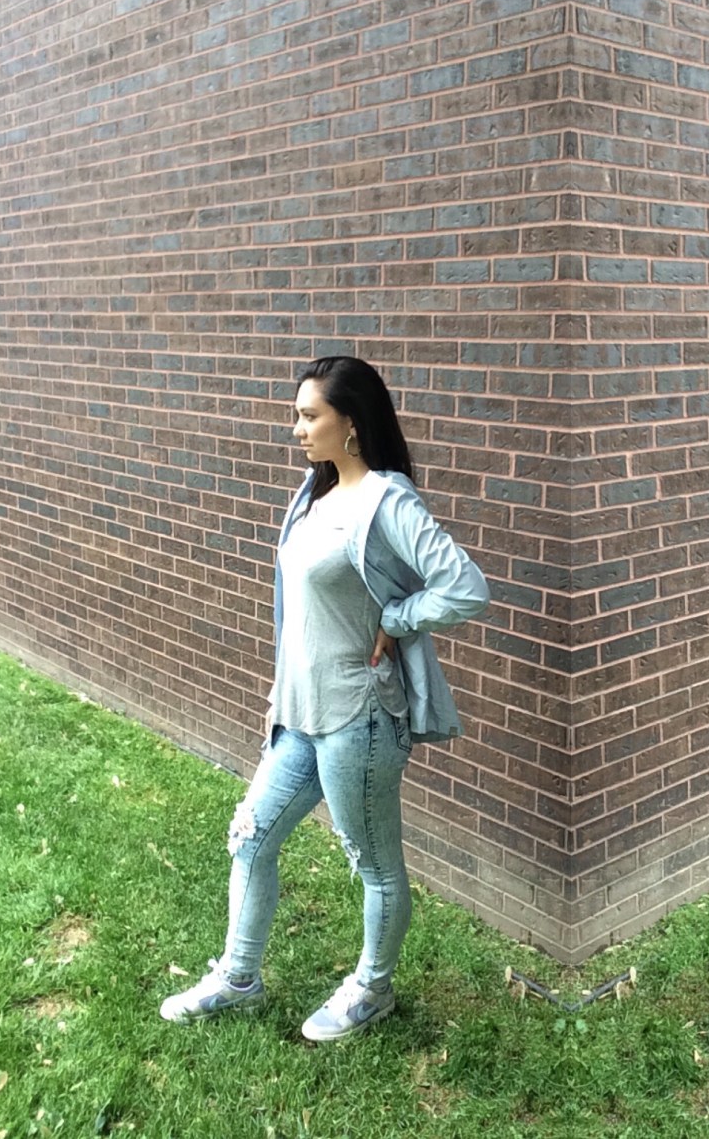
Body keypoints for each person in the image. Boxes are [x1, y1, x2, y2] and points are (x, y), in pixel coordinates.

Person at [161, 356, 490, 1041]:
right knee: (250, 839)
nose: (297, 429)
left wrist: (398, 619)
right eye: (297, 415)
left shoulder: (387, 502)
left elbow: (465, 588)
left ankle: (373, 989)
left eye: (310, 416)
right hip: (299, 715)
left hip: (358, 718)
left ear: (352, 422)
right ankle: (239, 977)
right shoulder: (315, 494)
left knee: (375, 867)